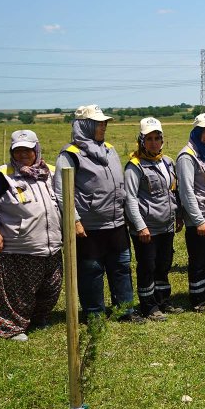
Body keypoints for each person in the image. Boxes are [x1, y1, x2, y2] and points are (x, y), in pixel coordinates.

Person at [55, 105, 133, 321]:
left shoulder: (109, 149)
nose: (104, 127)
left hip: (116, 222)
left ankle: (124, 311)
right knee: (91, 271)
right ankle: (94, 315)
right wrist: (75, 221)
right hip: (89, 227)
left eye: (104, 123)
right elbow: (62, 193)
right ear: (85, 125)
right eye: (99, 123)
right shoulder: (70, 154)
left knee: (121, 267)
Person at [0, 131, 62, 341]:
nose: (24, 154)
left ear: (37, 149)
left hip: (51, 243)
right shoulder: (4, 174)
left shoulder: (51, 172)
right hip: (19, 245)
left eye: (28, 149)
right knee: (17, 291)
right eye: (18, 151)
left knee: (51, 285)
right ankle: (11, 327)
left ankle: (37, 318)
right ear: (12, 152)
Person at [124, 118, 180, 322]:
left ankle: (163, 299)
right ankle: (149, 306)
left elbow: (173, 191)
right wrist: (140, 226)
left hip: (166, 225)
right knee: (147, 265)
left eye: (157, 138)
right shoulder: (134, 166)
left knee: (164, 264)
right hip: (147, 228)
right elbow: (130, 198)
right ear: (141, 140)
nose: (154, 143)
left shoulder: (166, 162)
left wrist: (178, 215)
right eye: (149, 139)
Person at [177, 113, 205, 311]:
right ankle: (198, 298)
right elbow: (186, 192)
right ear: (196, 132)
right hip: (200, 217)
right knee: (199, 259)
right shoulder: (187, 156)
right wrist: (198, 220)